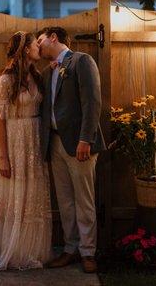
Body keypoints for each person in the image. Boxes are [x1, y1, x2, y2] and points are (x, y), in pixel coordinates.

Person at [37, 26, 106, 274]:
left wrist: (86, 139)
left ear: (53, 38)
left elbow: (92, 102)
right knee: (65, 202)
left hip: (79, 144)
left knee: (84, 200)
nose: (39, 45)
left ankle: (88, 252)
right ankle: (70, 248)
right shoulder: (48, 72)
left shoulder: (82, 61)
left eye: (40, 40)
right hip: (54, 143)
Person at [0, 31, 53, 271]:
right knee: (16, 197)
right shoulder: (6, 80)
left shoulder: (37, 76)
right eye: (36, 44)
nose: (39, 47)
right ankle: (14, 252)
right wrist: (3, 157)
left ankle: (31, 250)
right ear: (26, 49)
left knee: (32, 197)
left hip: (34, 142)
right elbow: (0, 122)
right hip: (15, 142)